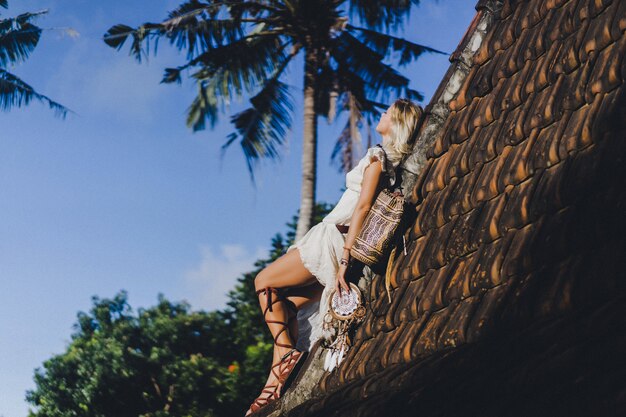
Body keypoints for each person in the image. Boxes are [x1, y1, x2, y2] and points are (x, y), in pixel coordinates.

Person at [245, 98, 424, 416]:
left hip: (331, 241)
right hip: (338, 244)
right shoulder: (389, 167)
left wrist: (343, 261)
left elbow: (363, 208)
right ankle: (273, 389)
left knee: (264, 282)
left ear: (396, 123)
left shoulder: (377, 156)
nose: (381, 114)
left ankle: (286, 355)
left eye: (387, 112)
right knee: (286, 308)